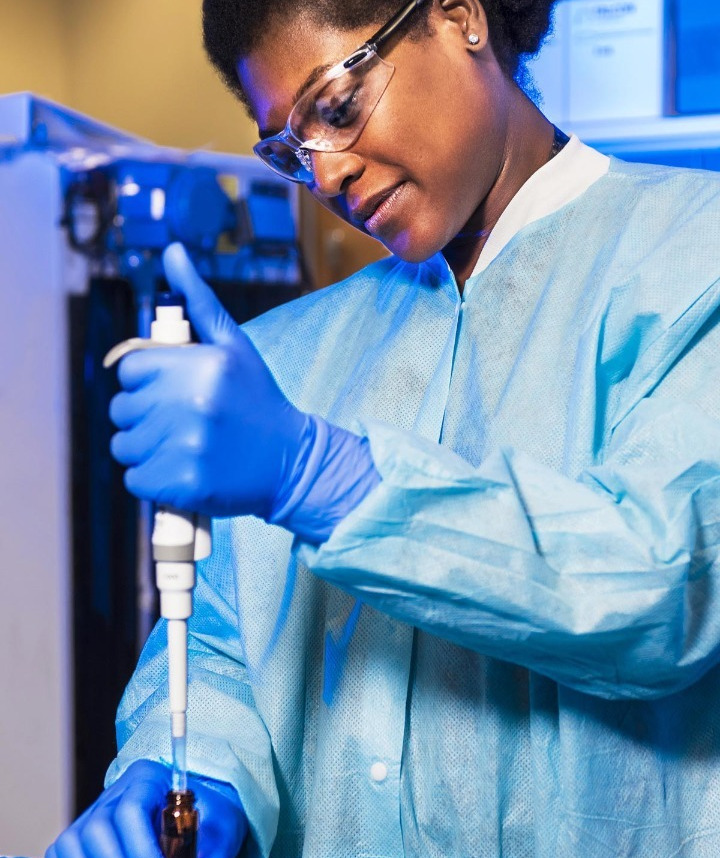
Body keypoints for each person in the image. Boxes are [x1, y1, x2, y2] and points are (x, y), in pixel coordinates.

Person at [47, 0, 720, 855]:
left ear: (461, 16)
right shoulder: (287, 356)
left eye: (336, 108)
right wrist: (192, 769)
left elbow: (666, 584)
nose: (326, 177)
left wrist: (324, 480)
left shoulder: (693, 257)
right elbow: (226, 644)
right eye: (292, 151)